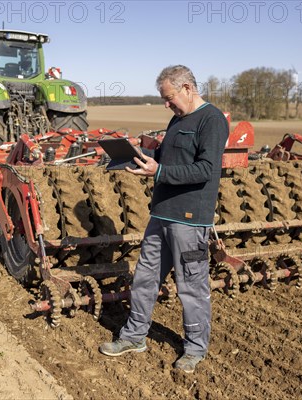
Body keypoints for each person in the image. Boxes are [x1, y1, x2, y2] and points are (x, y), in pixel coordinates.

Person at [99, 65, 229, 373]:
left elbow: (205, 170)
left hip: (189, 219)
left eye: (168, 97)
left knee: (191, 286)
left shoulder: (212, 120)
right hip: (161, 214)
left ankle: (195, 348)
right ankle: (134, 336)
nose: (165, 104)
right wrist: (144, 161)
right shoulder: (177, 119)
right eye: (163, 99)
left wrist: (159, 171)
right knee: (144, 280)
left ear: (187, 88)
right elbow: (172, 163)